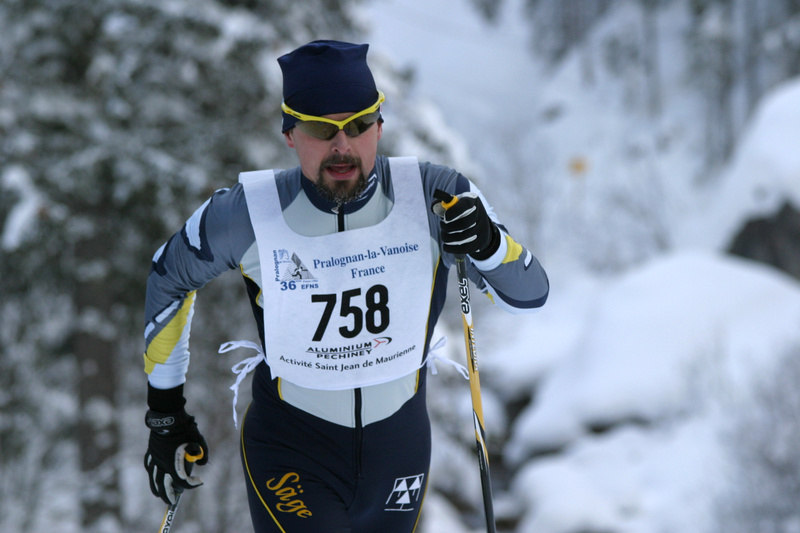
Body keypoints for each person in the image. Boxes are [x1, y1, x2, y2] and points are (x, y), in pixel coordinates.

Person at [142, 40, 549, 533]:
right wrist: (166, 412)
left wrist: (489, 244)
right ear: (290, 134)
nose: (342, 146)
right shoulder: (249, 212)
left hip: (398, 452)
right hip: (292, 449)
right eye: (321, 129)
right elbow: (168, 276)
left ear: (379, 127)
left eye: (358, 125)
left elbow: (530, 295)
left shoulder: (434, 196)